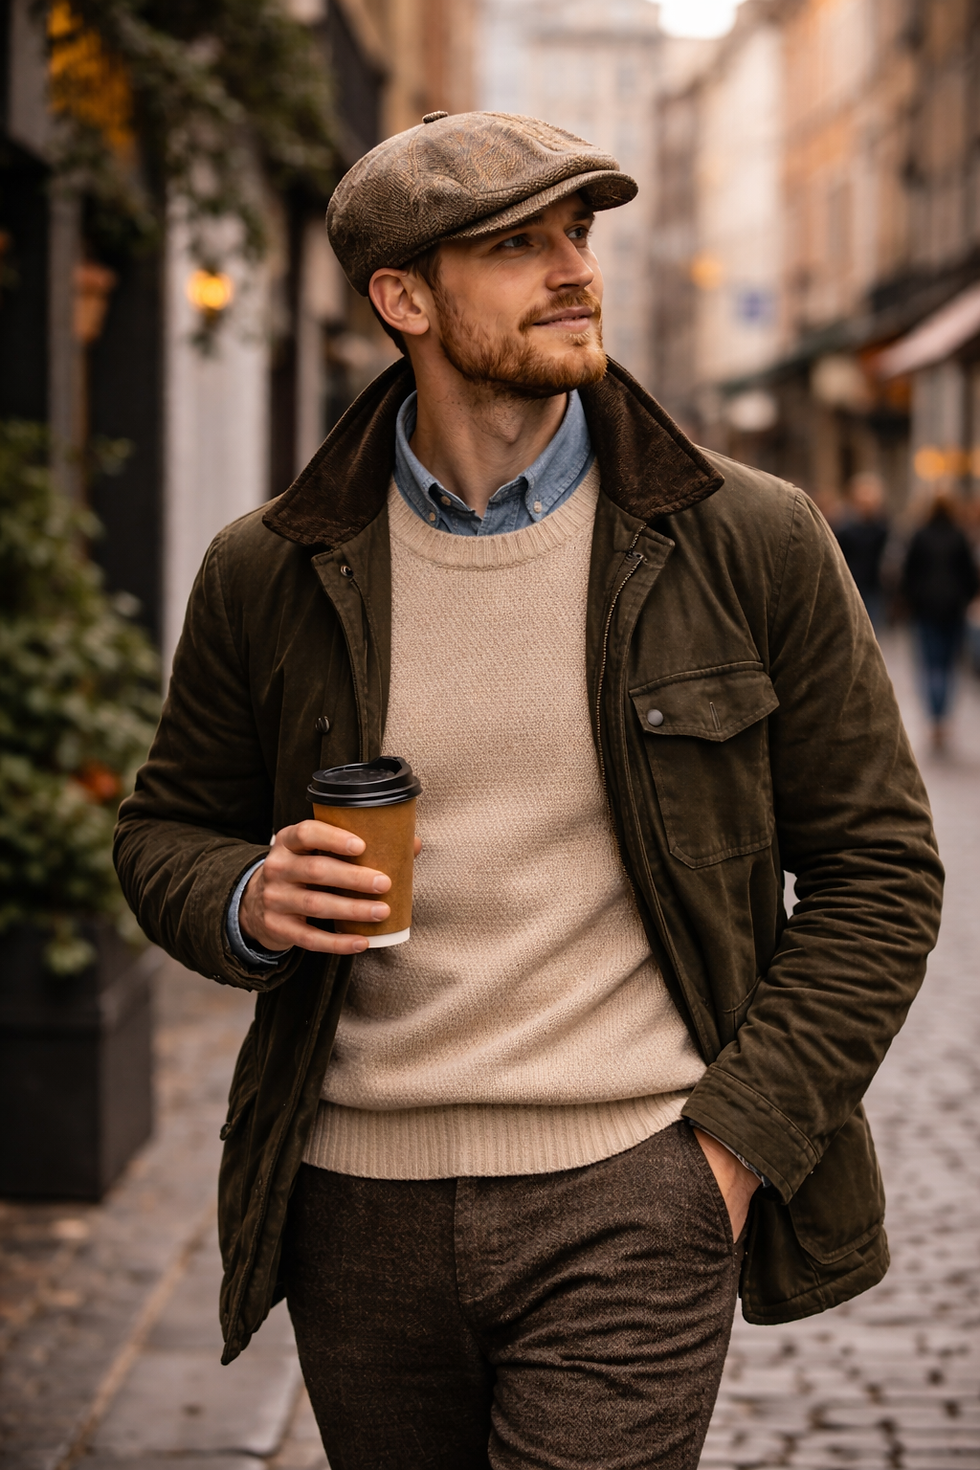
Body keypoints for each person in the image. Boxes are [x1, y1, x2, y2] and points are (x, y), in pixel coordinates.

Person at [115, 112, 943, 1469]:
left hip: (633, 1191)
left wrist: (726, 1151)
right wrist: (249, 893)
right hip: (351, 1209)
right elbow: (162, 829)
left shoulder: (748, 539)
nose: (575, 271)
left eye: (580, 234)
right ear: (405, 299)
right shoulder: (269, 568)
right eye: (516, 244)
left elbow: (881, 873)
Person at [901, 493, 979, 751]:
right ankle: (943, 717)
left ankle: (934, 718)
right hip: (953, 608)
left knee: (930, 664)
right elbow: (970, 574)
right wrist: (965, 597)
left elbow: (909, 572)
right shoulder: (959, 536)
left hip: (925, 608)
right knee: (947, 665)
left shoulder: (920, 535)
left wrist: (912, 599)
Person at [834, 471, 890, 630]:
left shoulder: (882, 529)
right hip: (852, 584)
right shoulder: (845, 529)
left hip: (873, 585)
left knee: (871, 628)